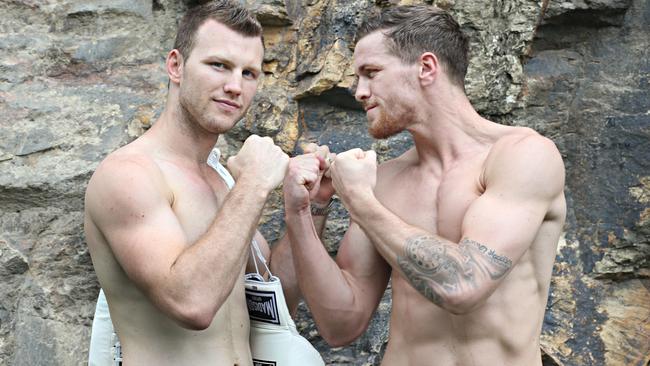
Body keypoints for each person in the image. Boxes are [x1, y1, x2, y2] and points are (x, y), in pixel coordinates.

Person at [282, 5, 566, 366]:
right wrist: (304, 211)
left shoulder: (523, 156)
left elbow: (463, 286)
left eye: (371, 73)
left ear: (426, 68)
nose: (359, 91)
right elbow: (340, 325)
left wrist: (358, 200)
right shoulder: (385, 181)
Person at [84, 1, 329, 365]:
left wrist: (307, 208)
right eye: (219, 65)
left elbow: (276, 298)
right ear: (176, 65)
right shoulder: (129, 174)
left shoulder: (222, 179)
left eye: (249, 73)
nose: (234, 86)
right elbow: (191, 304)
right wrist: (255, 185)